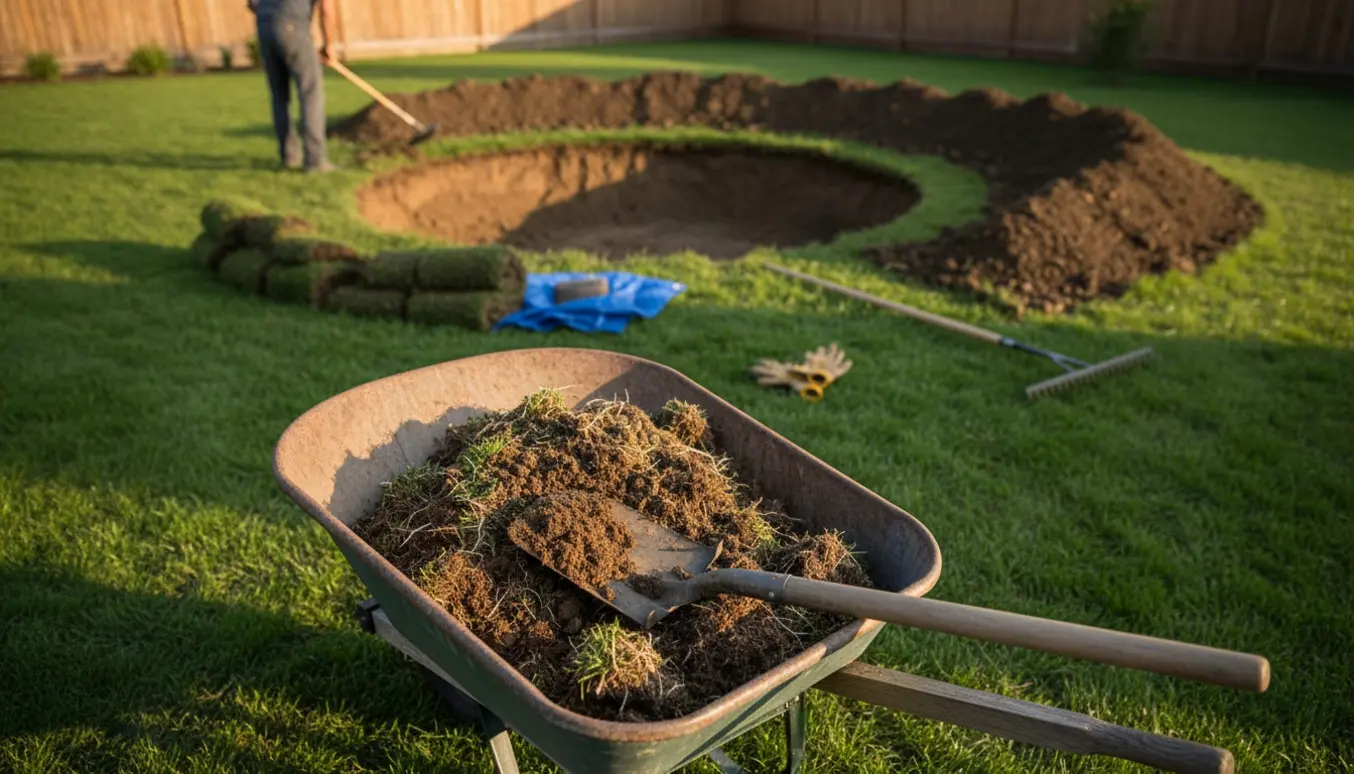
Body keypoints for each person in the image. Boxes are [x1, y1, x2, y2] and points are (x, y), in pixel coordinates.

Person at [247, 0, 338, 173]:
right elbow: (327, 10)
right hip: (292, 25)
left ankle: (289, 156)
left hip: (264, 27)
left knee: (280, 97)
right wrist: (329, 46)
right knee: (311, 94)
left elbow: (252, 4)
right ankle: (315, 160)